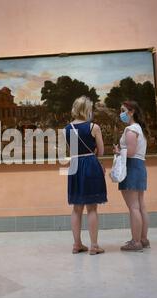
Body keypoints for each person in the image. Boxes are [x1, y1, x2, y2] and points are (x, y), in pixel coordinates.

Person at [64, 96, 108, 255]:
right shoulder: (94, 127)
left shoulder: (66, 129)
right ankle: (94, 245)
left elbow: (72, 151)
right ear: (86, 109)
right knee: (92, 208)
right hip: (90, 164)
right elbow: (101, 151)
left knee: (76, 208)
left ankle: (77, 244)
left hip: (75, 165)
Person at [113, 101, 150, 252]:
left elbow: (131, 152)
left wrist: (117, 151)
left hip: (131, 167)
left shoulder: (130, 130)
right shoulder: (139, 129)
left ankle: (135, 242)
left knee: (134, 207)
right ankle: (143, 239)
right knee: (141, 206)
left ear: (131, 111)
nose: (121, 113)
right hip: (139, 167)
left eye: (123, 110)